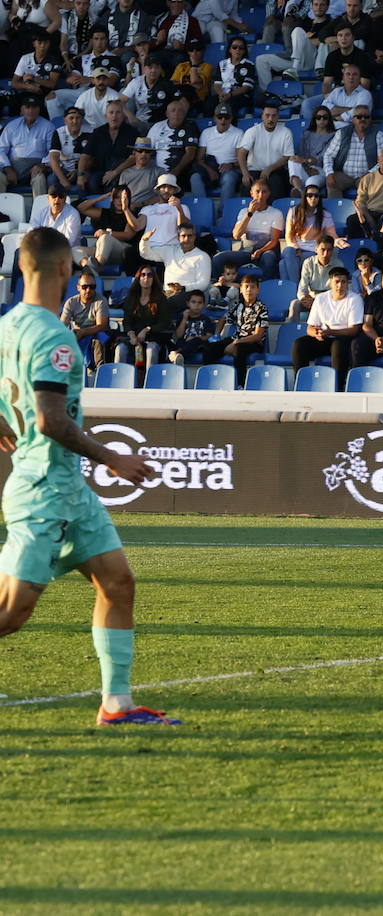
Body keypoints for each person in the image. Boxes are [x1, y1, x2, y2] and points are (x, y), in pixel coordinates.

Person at [0, 227, 175, 726]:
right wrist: (113, 459)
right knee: (11, 613)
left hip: (69, 491)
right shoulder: (53, 334)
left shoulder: (8, 325)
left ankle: (116, 704)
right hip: (41, 490)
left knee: (117, 583)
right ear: (63, 270)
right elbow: (53, 421)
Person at [292, 266, 363, 390]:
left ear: (348, 283)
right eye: (336, 281)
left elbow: (354, 330)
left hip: (343, 337)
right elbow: (309, 328)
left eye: (343, 282)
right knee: (299, 344)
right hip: (323, 337)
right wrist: (316, 333)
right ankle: (300, 384)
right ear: (330, 282)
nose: (340, 285)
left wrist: (332, 331)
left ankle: (338, 387)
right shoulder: (320, 298)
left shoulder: (354, 299)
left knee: (338, 347)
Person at [202, 272, 269, 386]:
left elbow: (258, 335)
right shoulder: (239, 306)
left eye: (253, 287)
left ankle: (240, 385)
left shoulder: (261, 308)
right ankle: (209, 381)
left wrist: (236, 342)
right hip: (236, 338)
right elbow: (224, 318)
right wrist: (217, 335)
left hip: (254, 343)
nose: (249, 290)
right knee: (210, 348)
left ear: (258, 290)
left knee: (238, 349)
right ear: (241, 290)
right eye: (246, 287)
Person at [213, 179, 284, 280]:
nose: (260, 195)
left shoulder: (276, 213)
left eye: (264, 192)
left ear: (268, 194)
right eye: (257, 191)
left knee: (269, 258)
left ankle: (266, 288)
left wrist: (260, 251)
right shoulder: (243, 212)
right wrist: (249, 213)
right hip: (246, 251)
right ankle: (218, 287)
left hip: (265, 250)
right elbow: (236, 235)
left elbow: (274, 241)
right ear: (251, 193)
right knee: (218, 258)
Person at [140, 220, 212, 311]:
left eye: (190, 236)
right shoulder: (169, 250)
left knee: (163, 305)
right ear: (178, 237)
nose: (186, 239)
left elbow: (203, 284)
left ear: (194, 237)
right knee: (144, 302)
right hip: (167, 293)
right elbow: (146, 254)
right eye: (183, 236)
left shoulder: (203, 256)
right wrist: (144, 240)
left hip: (189, 294)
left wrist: (183, 288)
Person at [235, 101, 294, 200]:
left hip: (275, 170)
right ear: (262, 116)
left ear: (278, 117)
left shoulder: (286, 132)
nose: (270, 119)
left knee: (277, 187)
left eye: (274, 116)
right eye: (267, 115)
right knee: (246, 187)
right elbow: (241, 153)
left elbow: (287, 156)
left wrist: (269, 169)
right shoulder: (252, 131)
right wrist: (245, 173)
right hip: (254, 170)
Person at [0, 94, 56, 197]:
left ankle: (39, 212)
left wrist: (42, 165)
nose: (31, 111)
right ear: (22, 109)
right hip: (13, 166)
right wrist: (8, 168)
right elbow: (1, 150)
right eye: (27, 107)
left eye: (34, 107)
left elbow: (53, 152)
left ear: (39, 109)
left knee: (39, 179)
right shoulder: (11, 126)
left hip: (36, 167)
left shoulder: (48, 127)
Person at [58, 272, 111, 369]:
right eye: (84, 286)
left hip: (96, 334)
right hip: (78, 333)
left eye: (92, 287)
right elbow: (62, 325)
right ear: (78, 287)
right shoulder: (71, 302)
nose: (88, 290)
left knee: (99, 339)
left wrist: (83, 332)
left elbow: (102, 326)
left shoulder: (101, 301)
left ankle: (98, 373)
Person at [294, 236, 347, 319]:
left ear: (332, 251)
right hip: (311, 298)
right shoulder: (308, 263)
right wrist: (305, 299)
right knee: (295, 304)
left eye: (329, 250)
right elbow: (302, 288)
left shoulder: (338, 264)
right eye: (323, 249)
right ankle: (293, 329)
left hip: (330, 299)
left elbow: (340, 289)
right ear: (316, 249)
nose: (325, 254)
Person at [168, 289, 216, 366]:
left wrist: (196, 337)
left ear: (204, 305)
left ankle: (178, 355)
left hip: (198, 345)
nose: (196, 305)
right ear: (188, 303)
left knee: (196, 341)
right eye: (193, 302)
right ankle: (177, 356)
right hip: (183, 343)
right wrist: (184, 319)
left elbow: (209, 336)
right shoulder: (182, 318)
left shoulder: (206, 319)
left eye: (199, 303)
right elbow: (178, 335)